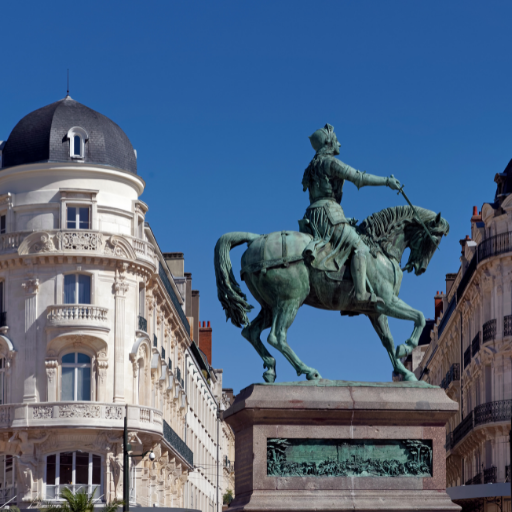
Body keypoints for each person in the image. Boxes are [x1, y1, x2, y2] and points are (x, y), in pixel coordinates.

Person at [299, 123, 401, 306]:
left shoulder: (311, 166)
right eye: (336, 140)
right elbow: (359, 178)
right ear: (328, 143)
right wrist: (387, 181)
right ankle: (361, 293)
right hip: (330, 216)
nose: (340, 144)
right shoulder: (330, 162)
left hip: (313, 217)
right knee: (361, 247)